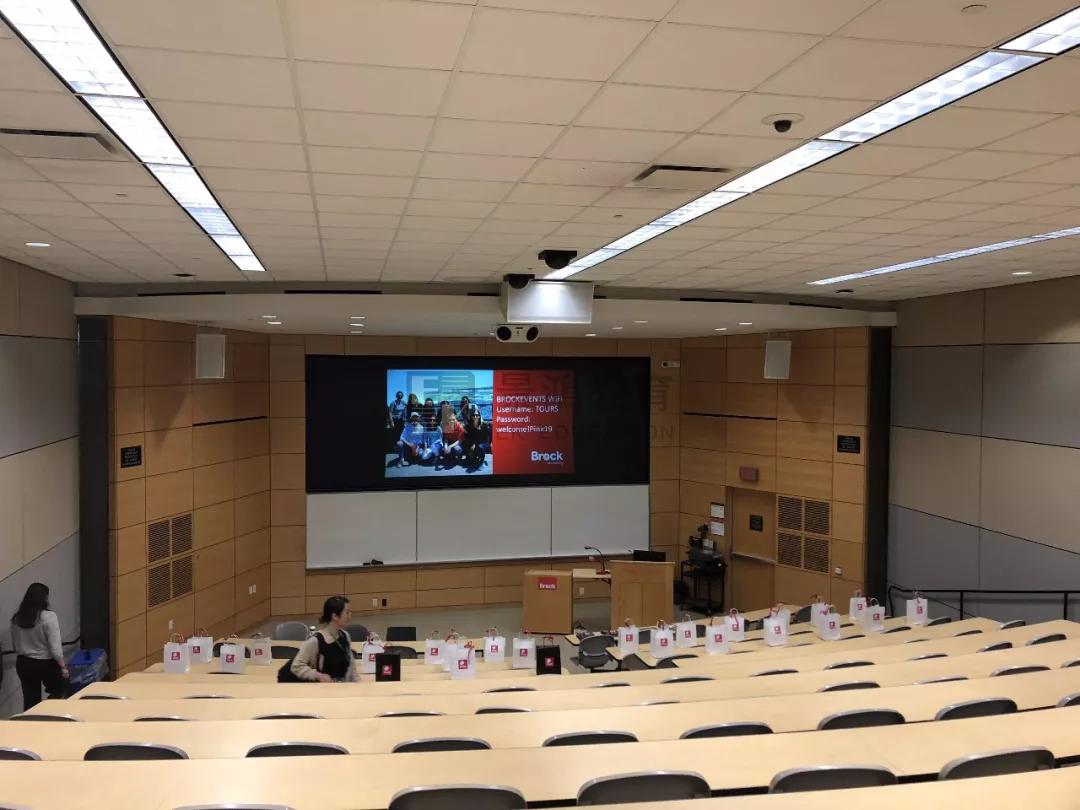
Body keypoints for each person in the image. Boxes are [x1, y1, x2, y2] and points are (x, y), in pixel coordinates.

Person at [11, 583, 68, 710]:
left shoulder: (17, 618)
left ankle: (32, 719)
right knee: (61, 688)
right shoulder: (48, 616)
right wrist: (63, 667)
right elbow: (55, 649)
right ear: (44, 598)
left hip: (23, 663)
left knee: (30, 701)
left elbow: (15, 646)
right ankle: (47, 711)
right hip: (45, 663)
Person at [287, 596, 359, 683]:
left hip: (344, 688)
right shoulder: (315, 641)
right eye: (347, 612)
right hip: (323, 689)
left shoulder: (345, 636)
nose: (350, 615)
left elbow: (351, 666)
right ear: (335, 616)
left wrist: (357, 683)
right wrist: (318, 675)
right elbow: (296, 666)